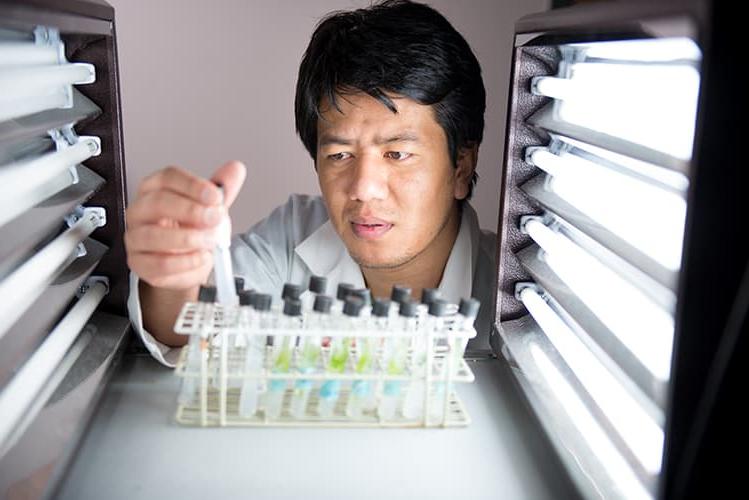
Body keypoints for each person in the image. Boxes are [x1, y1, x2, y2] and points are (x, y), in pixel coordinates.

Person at [125, 0, 496, 366]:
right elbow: (191, 327)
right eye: (339, 155)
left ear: (461, 166)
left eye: (397, 154)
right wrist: (174, 276)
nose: (363, 188)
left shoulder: (509, 295)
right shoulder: (291, 236)